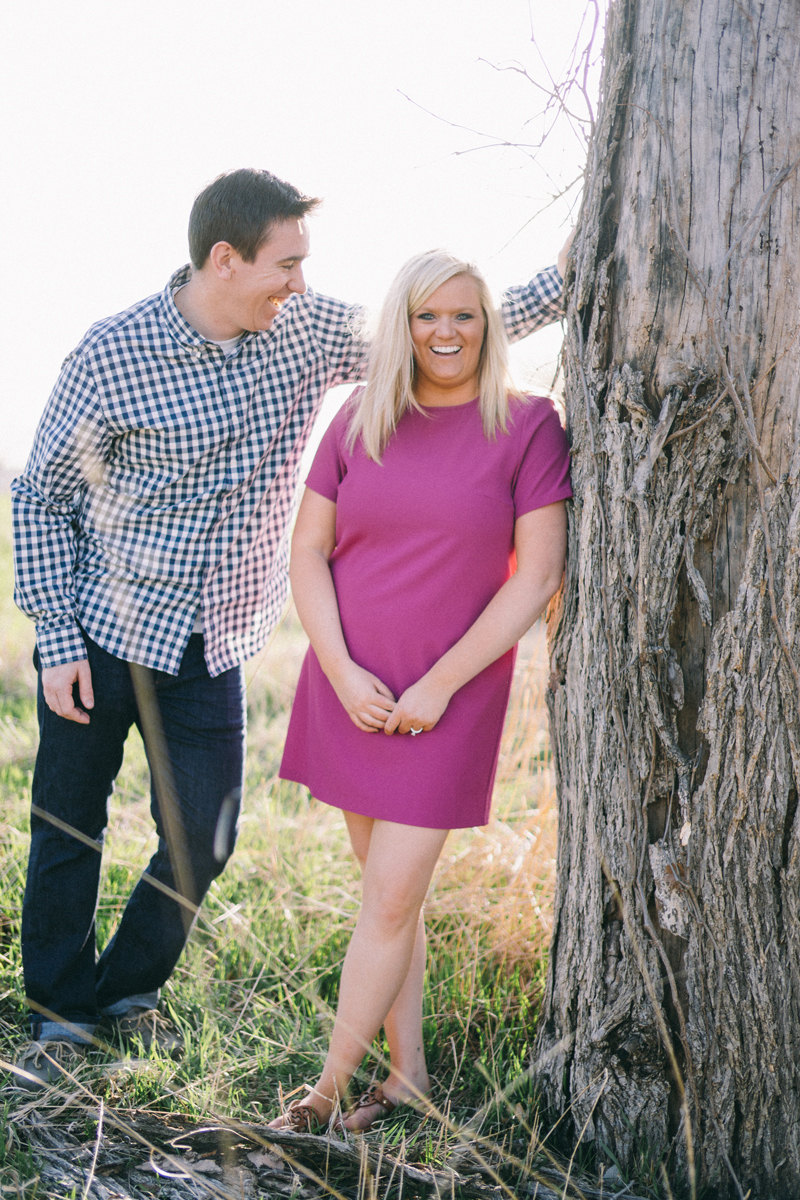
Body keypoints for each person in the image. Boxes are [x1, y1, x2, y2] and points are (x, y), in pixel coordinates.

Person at [10, 169, 569, 1090]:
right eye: (287, 265)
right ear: (225, 261)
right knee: (70, 825)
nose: (301, 285)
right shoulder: (111, 355)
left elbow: (443, 320)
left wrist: (567, 279)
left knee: (207, 835)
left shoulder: (302, 335)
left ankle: (125, 990)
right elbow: (39, 500)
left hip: (213, 643)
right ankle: (61, 1011)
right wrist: (58, 639)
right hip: (101, 631)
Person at [272, 249, 571, 1134]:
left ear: (489, 326)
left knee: (391, 898)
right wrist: (336, 666)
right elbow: (308, 554)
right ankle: (409, 1078)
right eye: (426, 316)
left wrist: (440, 685)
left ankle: (323, 1097)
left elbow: (537, 575)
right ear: (401, 326)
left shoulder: (527, 424)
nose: (445, 332)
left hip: (449, 698)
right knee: (385, 899)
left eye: (464, 316)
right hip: (350, 687)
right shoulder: (359, 419)